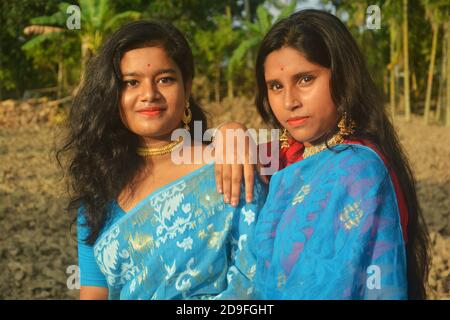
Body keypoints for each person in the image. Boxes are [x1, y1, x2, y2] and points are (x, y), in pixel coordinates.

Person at [218, 9, 429, 299]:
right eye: (275, 86)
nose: (290, 101)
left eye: (305, 79)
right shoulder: (285, 153)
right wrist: (230, 130)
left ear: (342, 77)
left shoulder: (360, 170)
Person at [57, 20, 267, 300]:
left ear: (187, 86)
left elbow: (258, 278)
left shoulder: (227, 164)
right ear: (113, 94)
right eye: (131, 83)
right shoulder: (98, 193)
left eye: (165, 79)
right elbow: (94, 292)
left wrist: (232, 131)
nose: (149, 95)